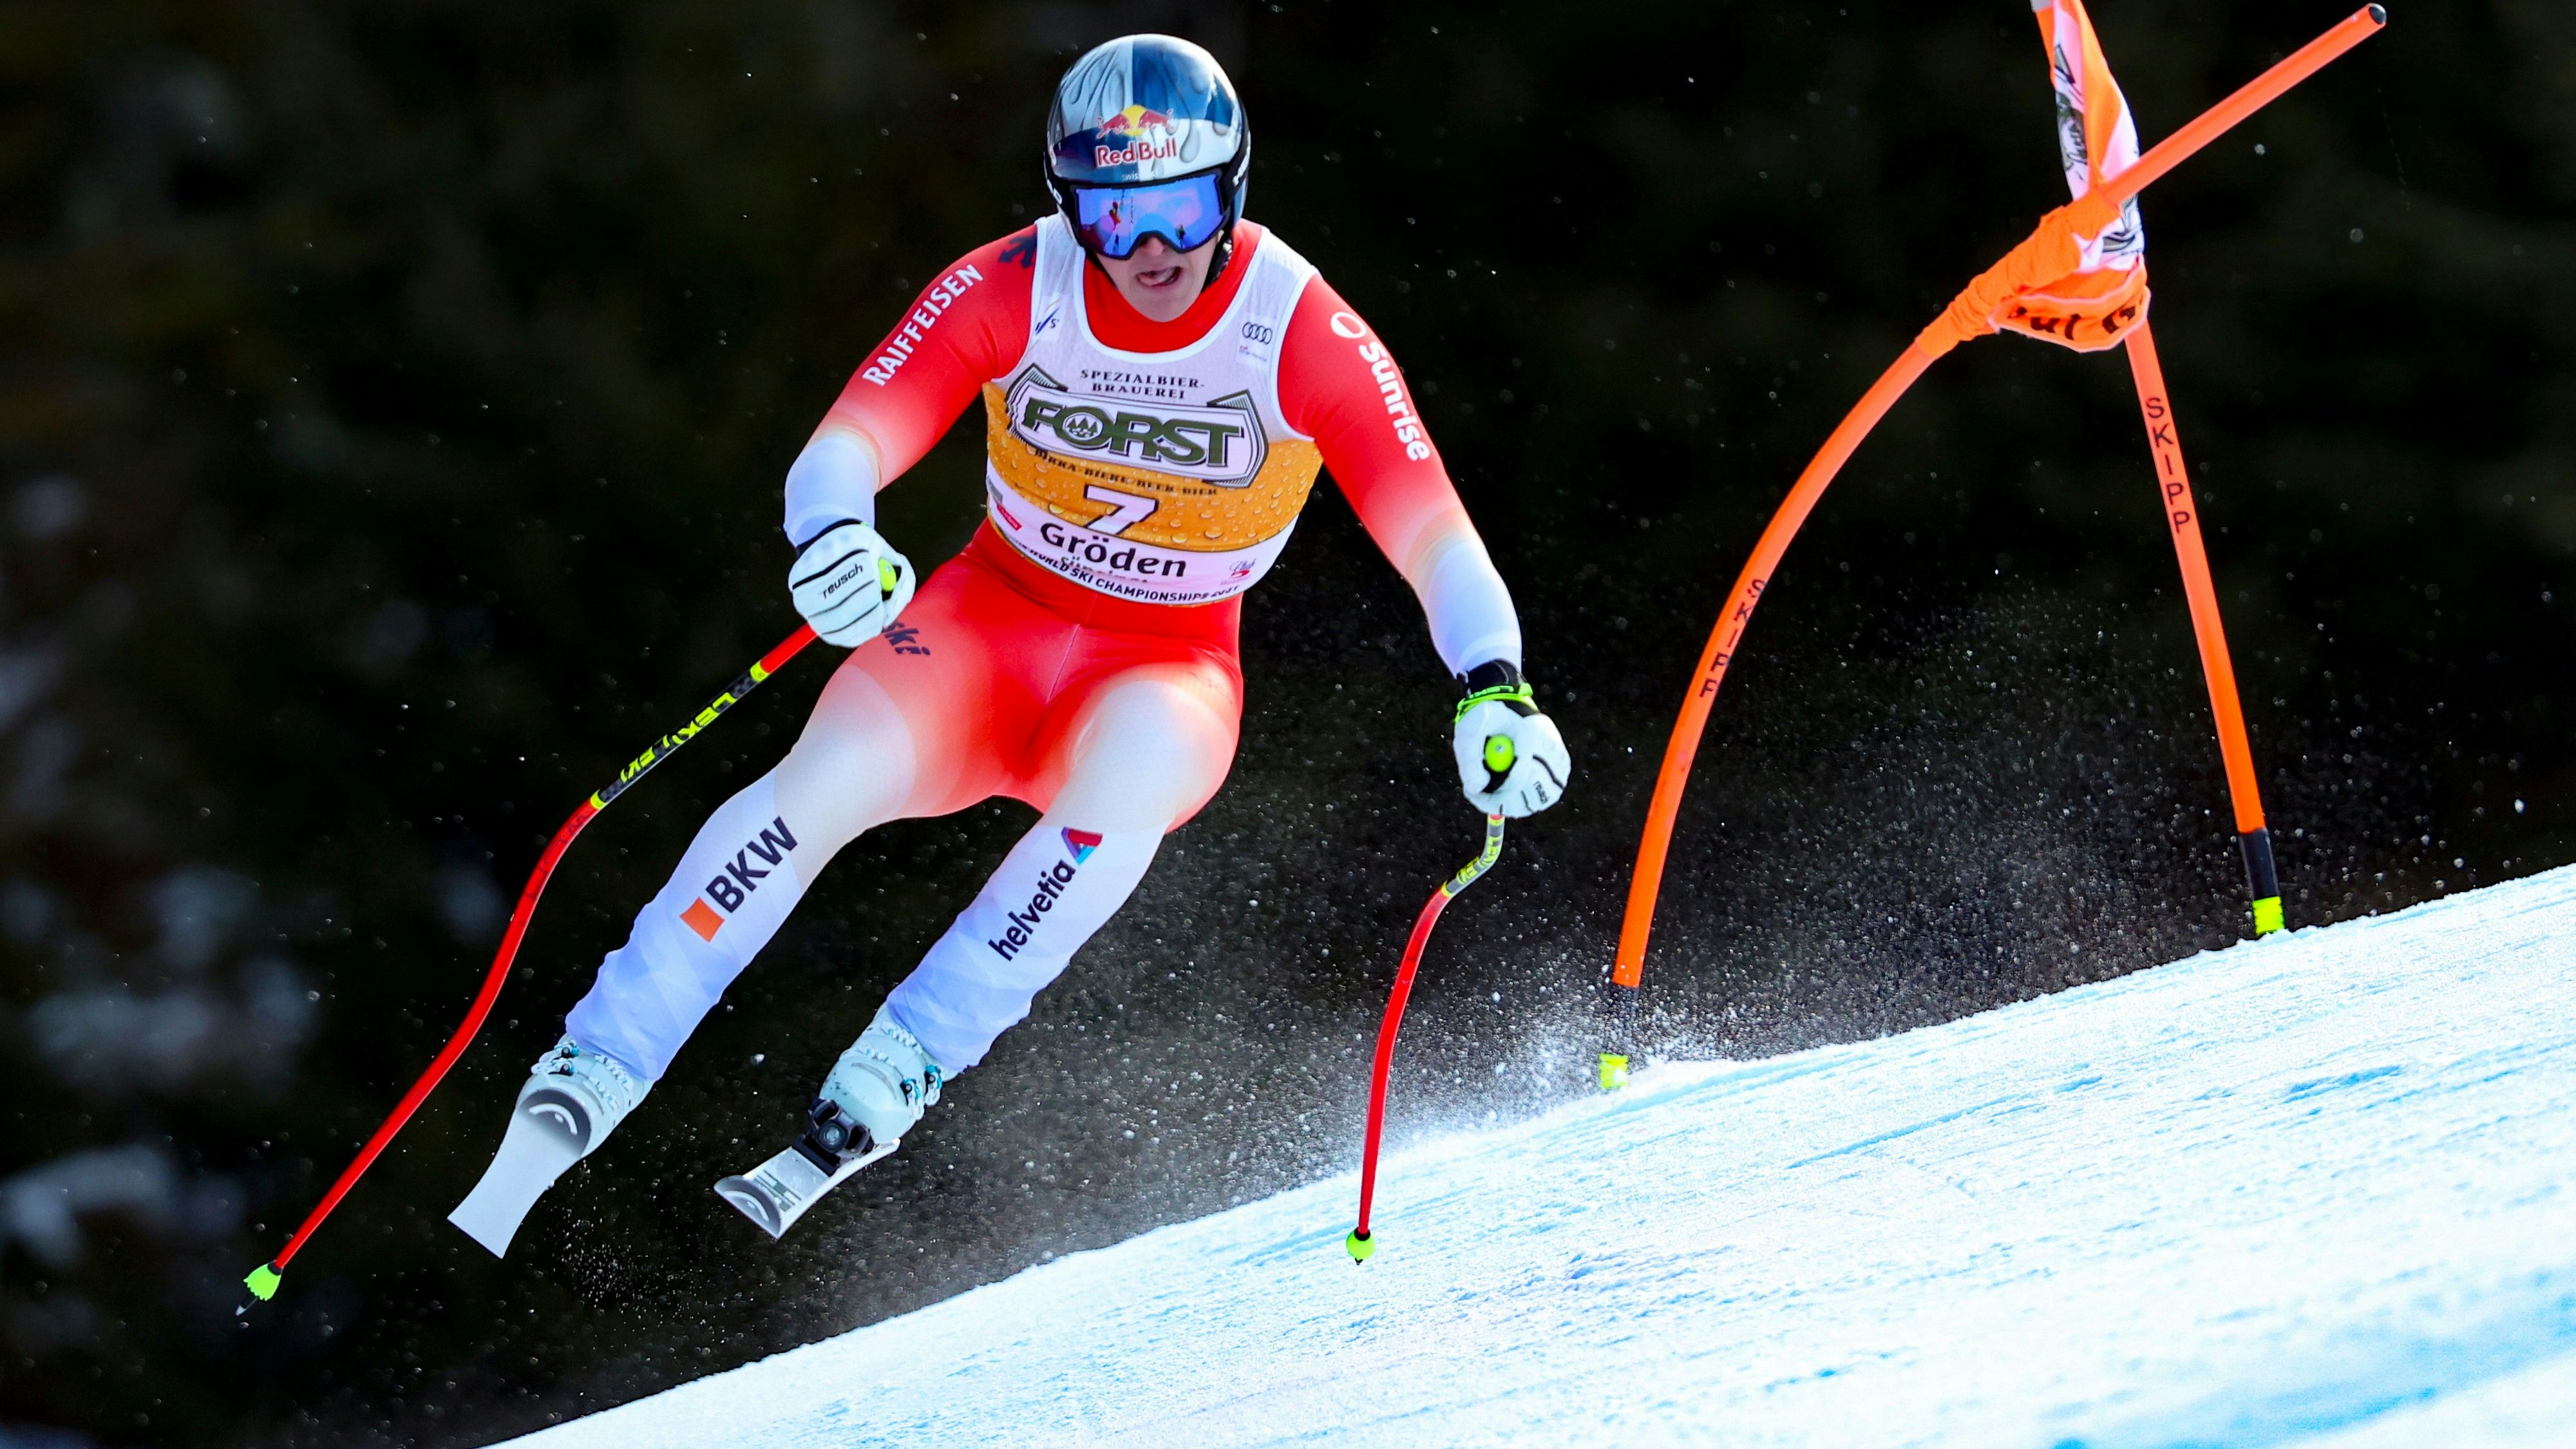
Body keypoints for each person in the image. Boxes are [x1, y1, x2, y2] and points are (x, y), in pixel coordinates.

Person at [450, 33, 1570, 1255]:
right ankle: (604, 1054)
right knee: (821, 783)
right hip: (987, 626)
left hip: (1165, 662)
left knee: (1132, 784)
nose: (1149, 254)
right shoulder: (1011, 284)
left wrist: (1494, 690)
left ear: (1234, 190)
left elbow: (1438, 540)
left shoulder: (1295, 326)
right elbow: (846, 444)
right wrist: (834, 536)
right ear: (1067, 206)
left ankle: (904, 1058)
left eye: (1182, 210)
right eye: (1111, 216)